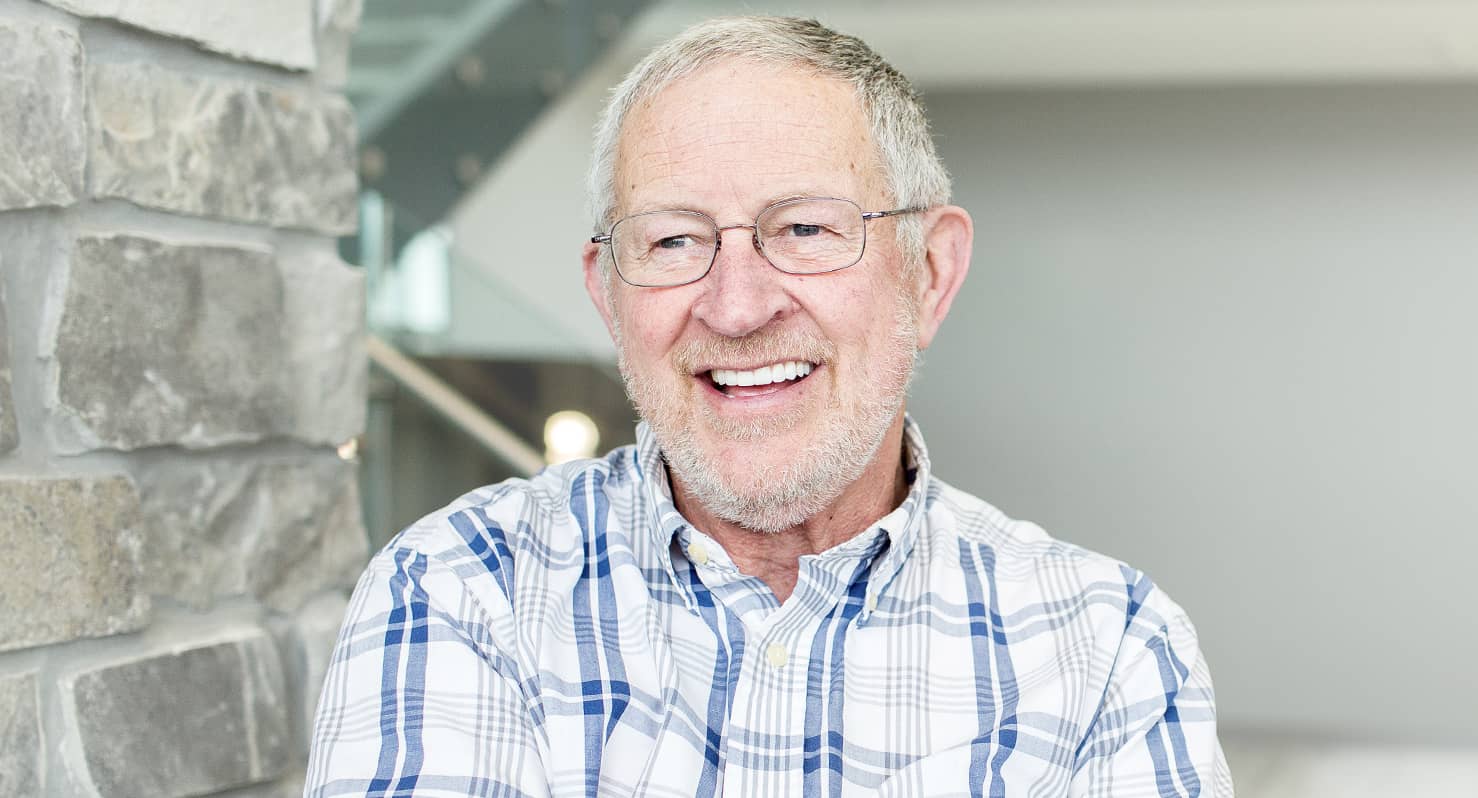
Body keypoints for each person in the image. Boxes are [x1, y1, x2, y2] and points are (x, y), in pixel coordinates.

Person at [306, 15, 1232, 797]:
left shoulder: (1107, 646)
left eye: (804, 229)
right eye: (673, 240)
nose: (738, 305)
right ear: (608, 293)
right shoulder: (459, 594)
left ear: (930, 274)